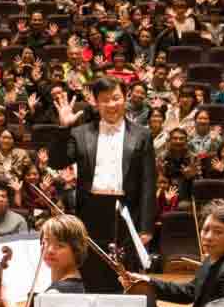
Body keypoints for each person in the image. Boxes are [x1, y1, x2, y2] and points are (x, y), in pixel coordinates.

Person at [53, 75, 156, 290]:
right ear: (95, 102)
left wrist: (145, 227)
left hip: (126, 212)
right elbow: (58, 161)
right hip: (91, 212)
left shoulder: (142, 135)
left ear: (125, 98)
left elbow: (148, 181)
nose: (111, 104)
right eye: (105, 99)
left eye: (116, 98)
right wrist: (64, 128)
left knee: (126, 279)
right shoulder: (80, 133)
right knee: (92, 276)